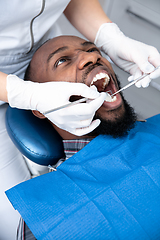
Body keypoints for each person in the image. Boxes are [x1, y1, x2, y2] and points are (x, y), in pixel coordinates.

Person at [1, 1, 160, 239]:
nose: (91, 57)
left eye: (93, 49)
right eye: (62, 60)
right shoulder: (45, 224)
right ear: (42, 109)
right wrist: (24, 94)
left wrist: (111, 38)